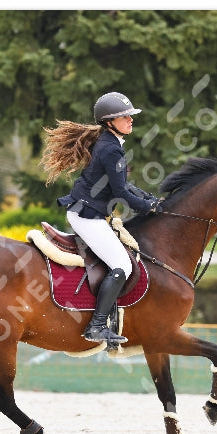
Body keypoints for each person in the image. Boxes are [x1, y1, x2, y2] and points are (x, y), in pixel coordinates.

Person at [41, 92, 159, 344]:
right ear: (109, 122)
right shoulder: (111, 150)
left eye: (129, 115)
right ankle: (96, 326)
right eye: (123, 117)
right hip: (87, 217)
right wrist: (146, 208)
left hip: (88, 212)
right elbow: (121, 194)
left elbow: (124, 185)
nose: (130, 120)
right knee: (123, 266)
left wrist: (149, 199)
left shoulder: (110, 143)